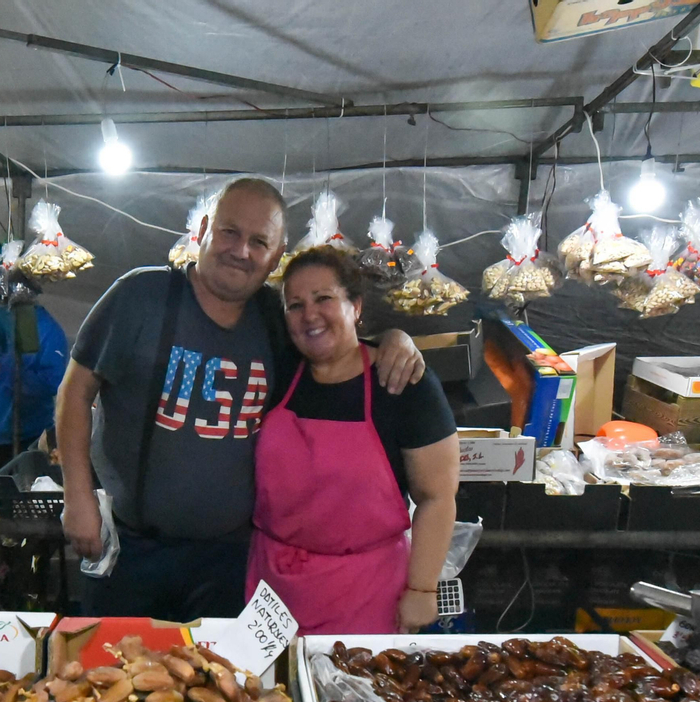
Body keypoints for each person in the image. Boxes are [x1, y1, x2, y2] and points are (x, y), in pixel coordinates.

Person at [57, 176, 427, 622]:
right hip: (131, 546)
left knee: (215, 666)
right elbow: (75, 392)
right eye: (230, 232)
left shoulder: (276, 319)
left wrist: (395, 338)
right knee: (116, 661)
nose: (242, 251)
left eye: (259, 242)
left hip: (231, 558)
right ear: (204, 230)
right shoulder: (141, 296)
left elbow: (337, 344)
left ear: (276, 254)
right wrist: (77, 496)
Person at [248, 247, 459, 634]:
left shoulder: (402, 382)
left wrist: (422, 589)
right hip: (271, 590)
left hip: (365, 592)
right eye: (295, 305)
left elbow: (437, 496)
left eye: (324, 299)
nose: (310, 315)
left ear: (356, 306)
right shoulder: (278, 373)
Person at [0, 302, 68, 508]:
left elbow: (54, 383)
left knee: (24, 512)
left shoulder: (46, 330)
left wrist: (1, 372)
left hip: (28, 443)